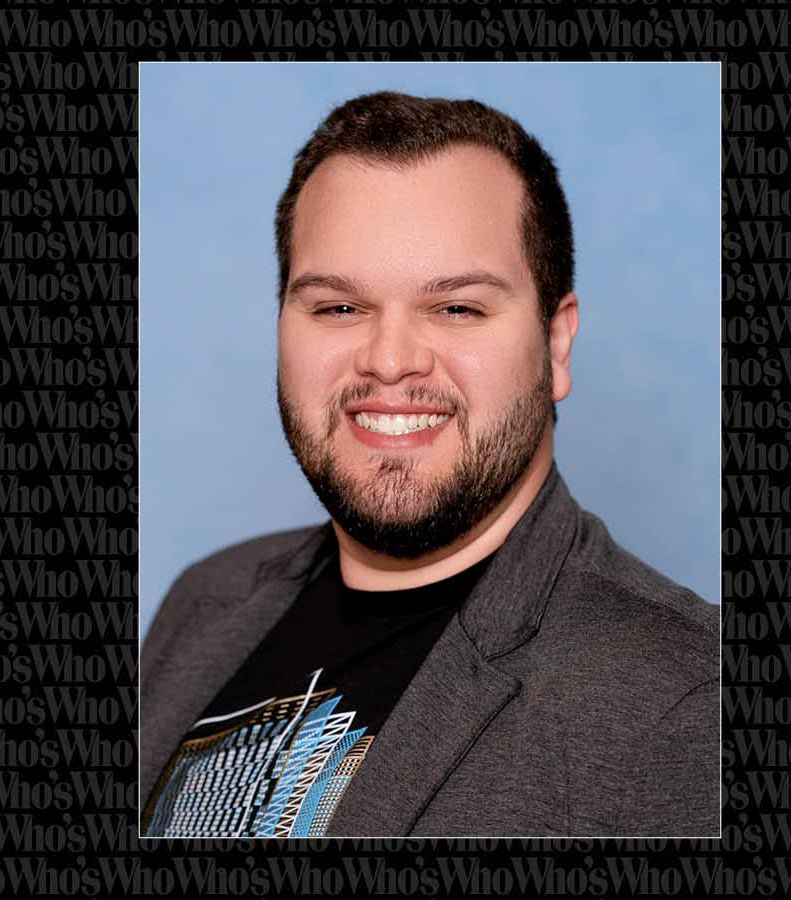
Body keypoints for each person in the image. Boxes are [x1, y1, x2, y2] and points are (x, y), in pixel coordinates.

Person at [138, 91, 719, 838]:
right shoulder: (206, 602)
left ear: (556, 344)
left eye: (457, 309)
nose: (389, 361)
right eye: (338, 307)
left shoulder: (685, 701)